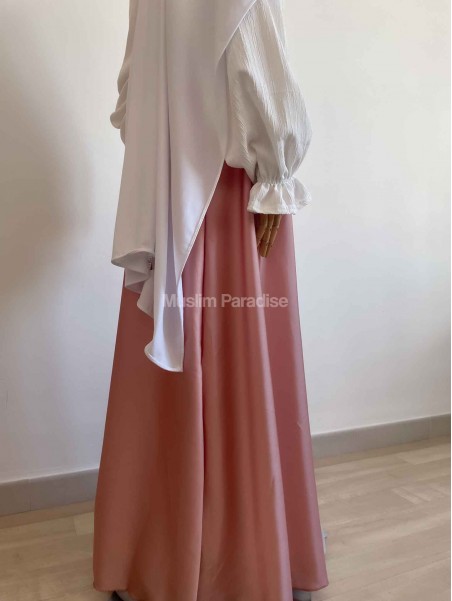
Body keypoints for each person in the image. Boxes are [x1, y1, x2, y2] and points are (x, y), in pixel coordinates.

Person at [93, 0, 329, 599]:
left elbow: (131, 90)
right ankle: (247, 562)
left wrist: (161, 151)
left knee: (168, 374)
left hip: (165, 188)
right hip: (225, 194)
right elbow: (255, 62)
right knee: (238, 362)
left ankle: (153, 555)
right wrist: (276, 171)